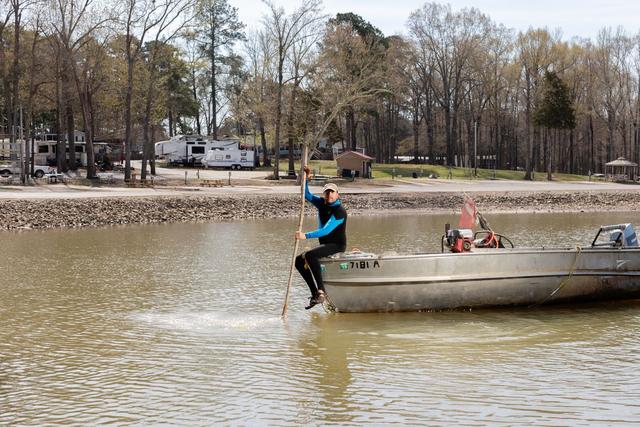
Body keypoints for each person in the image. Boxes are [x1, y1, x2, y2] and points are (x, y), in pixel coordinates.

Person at [295, 166, 347, 309]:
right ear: (324, 194)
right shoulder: (322, 203)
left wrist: (305, 235)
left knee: (310, 255)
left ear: (338, 195)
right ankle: (315, 294)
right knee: (298, 261)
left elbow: (325, 231)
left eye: (332, 192)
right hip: (325, 245)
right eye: (327, 192)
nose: (329, 194)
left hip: (336, 245)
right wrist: (307, 177)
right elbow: (306, 195)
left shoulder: (340, 211)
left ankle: (321, 291)